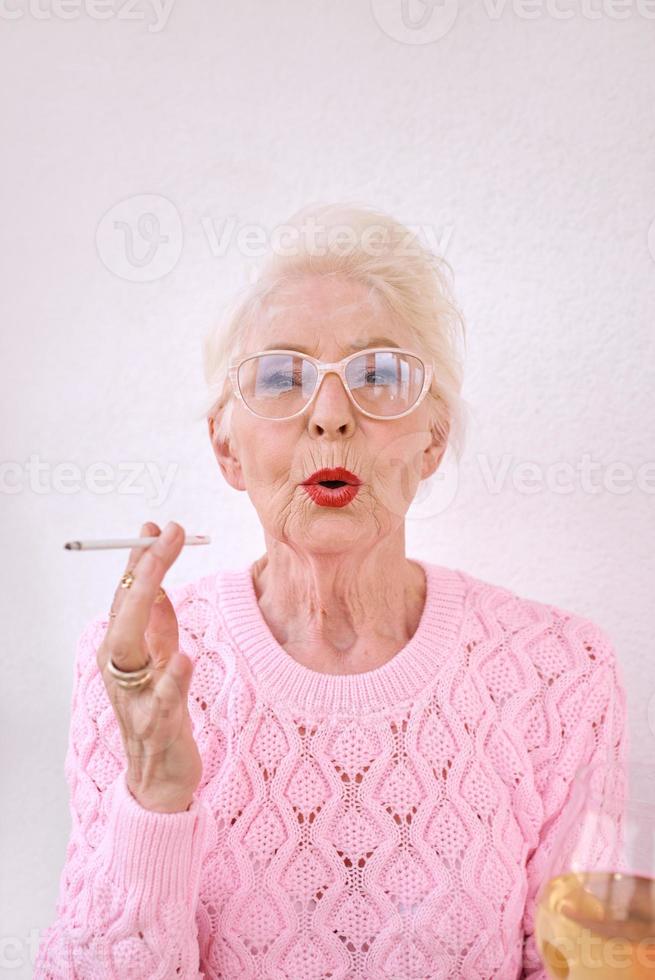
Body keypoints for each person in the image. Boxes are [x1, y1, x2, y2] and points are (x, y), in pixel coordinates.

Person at [34, 203, 628, 979]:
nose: (330, 416)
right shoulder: (135, 670)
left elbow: (592, 963)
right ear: (227, 447)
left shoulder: (559, 671)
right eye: (282, 377)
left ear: (432, 440)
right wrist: (153, 795)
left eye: (378, 375)